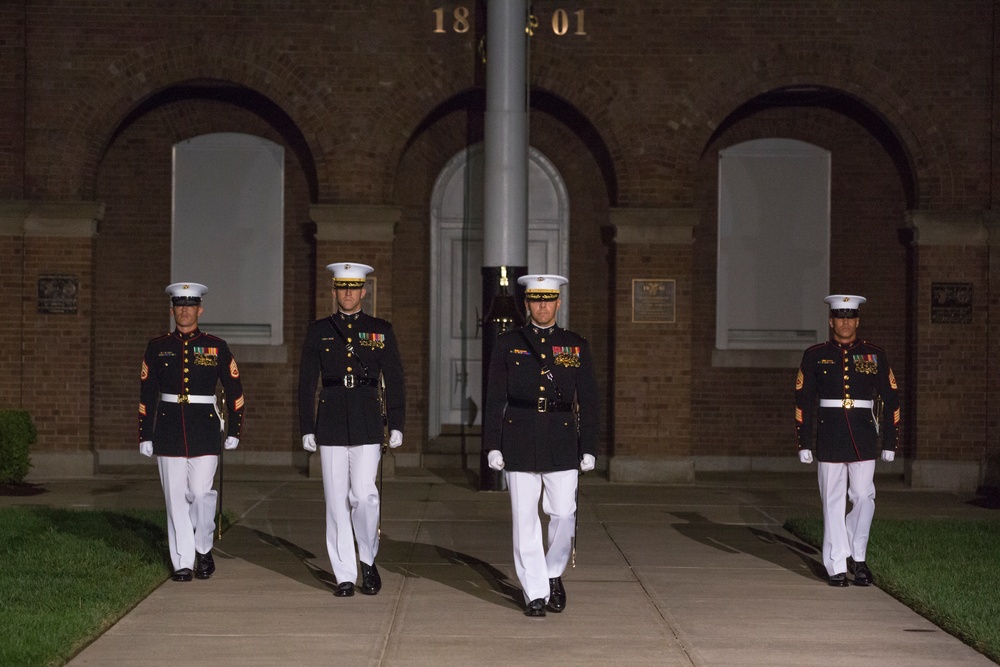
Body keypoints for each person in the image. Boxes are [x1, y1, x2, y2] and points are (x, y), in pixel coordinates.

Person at [483, 274, 599, 617]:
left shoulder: (575, 345)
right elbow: (494, 398)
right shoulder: (508, 343)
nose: (543, 306)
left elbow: (589, 400)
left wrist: (589, 446)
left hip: (562, 436)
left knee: (564, 513)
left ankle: (552, 573)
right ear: (527, 304)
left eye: (549, 300)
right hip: (518, 434)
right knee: (524, 520)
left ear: (558, 303)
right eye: (536, 300)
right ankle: (534, 591)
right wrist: (492, 444)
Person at [298, 262, 405, 598]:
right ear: (334, 292)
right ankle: (345, 573)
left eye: (353, 288)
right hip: (330, 419)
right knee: (335, 502)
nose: (347, 293)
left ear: (363, 291)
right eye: (341, 288)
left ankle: (368, 557)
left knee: (364, 495)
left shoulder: (380, 329)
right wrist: (306, 426)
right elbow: (305, 383)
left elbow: (396, 379)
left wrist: (397, 424)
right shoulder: (318, 330)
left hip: (366, 418)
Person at [138, 282, 245, 582]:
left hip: (204, 428)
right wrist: (146, 434)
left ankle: (203, 547)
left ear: (200, 309)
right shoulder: (157, 347)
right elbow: (147, 394)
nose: (184, 310)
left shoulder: (216, 346)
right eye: (179, 305)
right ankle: (182, 562)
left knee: (200, 494)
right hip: (169, 428)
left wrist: (234, 428)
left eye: (190, 305)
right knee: (175, 499)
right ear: (172, 310)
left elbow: (235, 389)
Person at [795, 294, 900, 587]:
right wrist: (804, 442)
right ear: (831, 321)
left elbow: (892, 399)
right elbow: (803, 399)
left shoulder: (874, 354)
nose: (845, 322)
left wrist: (891, 441)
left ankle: (858, 555)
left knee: (864, 497)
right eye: (839, 317)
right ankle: (837, 564)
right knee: (833, 501)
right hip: (829, 434)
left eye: (850, 317)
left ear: (857, 321)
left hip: (864, 434)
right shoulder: (815, 355)